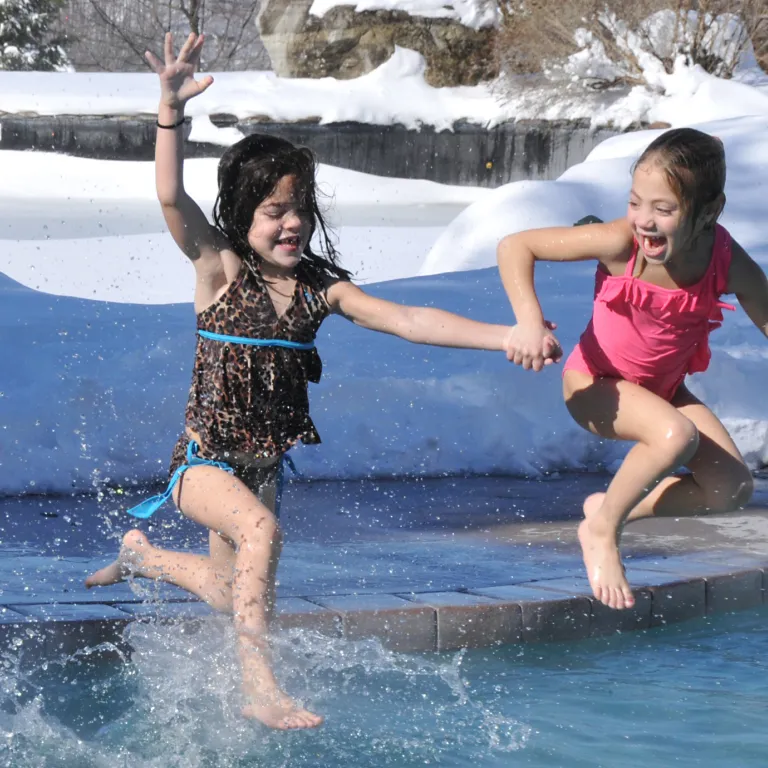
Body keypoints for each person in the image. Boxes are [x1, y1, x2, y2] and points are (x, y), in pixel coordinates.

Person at [85, 32, 555, 730]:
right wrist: (170, 111)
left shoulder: (318, 289)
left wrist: (505, 335)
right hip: (203, 463)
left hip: (263, 464)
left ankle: (142, 557)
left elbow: (409, 318)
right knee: (260, 530)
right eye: (275, 210)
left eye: (300, 207)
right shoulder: (219, 269)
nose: (293, 221)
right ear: (243, 212)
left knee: (227, 587)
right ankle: (259, 689)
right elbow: (169, 197)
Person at [498, 127, 768, 612]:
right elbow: (516, 246)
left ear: (710, 211)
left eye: (663, 210)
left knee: (732, 488)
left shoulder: (724, 261)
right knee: (674, 435)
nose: (644, 221)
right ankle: (603, 532)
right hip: (593, 384)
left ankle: (608, 509)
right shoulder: (620, 243)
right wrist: (529, 322)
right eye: (635, 202)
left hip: (663, 392)